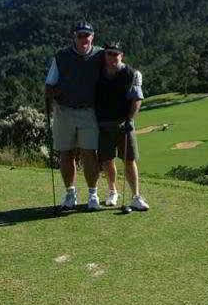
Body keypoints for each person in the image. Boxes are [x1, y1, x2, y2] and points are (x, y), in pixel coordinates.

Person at [45, 21, 104, 210]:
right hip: (64, 112)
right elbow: (49, 85)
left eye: (87, 35)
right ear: (74, 37)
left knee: (90, 153)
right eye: (80, 35)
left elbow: (117, 68)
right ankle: (70, 194)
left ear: (92, 37)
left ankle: (92, 194)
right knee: (66, 153)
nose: (83, 39)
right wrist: (54, 96)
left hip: (89, 112)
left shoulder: (101, 55)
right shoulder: (61, 57)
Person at [95, 41, 149, 211]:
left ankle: (136, 196)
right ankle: (113, 191)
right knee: (107, 160)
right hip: (103, 123)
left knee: (129, 159)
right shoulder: (97, 73)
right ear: (105, 55)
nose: (112, 57)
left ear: (121, 55)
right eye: (109, 53)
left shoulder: (131, 74)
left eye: (116, 54)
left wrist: (129, 120)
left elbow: (136, 99)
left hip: (123, 123)